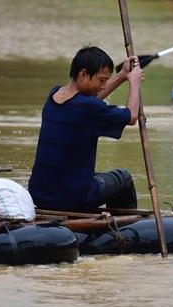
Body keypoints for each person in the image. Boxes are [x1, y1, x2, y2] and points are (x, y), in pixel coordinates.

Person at [28, 47, 144, 212]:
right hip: (72, 198)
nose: (104, 86)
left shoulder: (55, 95)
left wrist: (123, 75)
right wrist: (134, 82)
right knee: (123, 178)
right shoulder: (88, 108)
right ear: (83, 74)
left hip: (40, 194)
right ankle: (124, 228)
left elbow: (91, 103)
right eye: (101, 80)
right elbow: (132, 116)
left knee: (95, 177)